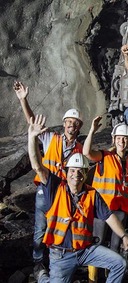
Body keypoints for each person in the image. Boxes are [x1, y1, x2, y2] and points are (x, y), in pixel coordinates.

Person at [28, 114, 128, 283]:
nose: (76, 175)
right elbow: (37, 165)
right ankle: (43, 277)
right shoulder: (56, 188)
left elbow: (108, 216)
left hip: (85, 250)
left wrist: (125, 236)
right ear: (66, 172)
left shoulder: (92, 194)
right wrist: (32, 137)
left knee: (119, 263)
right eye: (72, 170)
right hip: (61, 255)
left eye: (80, 171)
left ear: (86, 173)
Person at [13, 81, 84, 281]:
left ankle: (57, 263)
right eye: (69, 122)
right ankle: (37, 262)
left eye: (75, 123)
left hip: (64, 195)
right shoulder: (51, 139)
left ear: (79, 127)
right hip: (46, 189)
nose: (71, 125)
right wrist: (23, 100)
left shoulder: (79, 149)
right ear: (64, 124)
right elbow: (33, 123)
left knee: (59, 228)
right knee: (41, 228)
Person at [83, 117, 128, 283]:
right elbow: (86, 153)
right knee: (96, 245)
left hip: (121, 211)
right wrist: (92, 131)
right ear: (114, 139)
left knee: (115, 248)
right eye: (119, 138)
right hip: (101, 210)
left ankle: (109, 278)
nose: (122, 141)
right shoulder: (104, 156)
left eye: (125, 138)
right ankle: (92, 278)